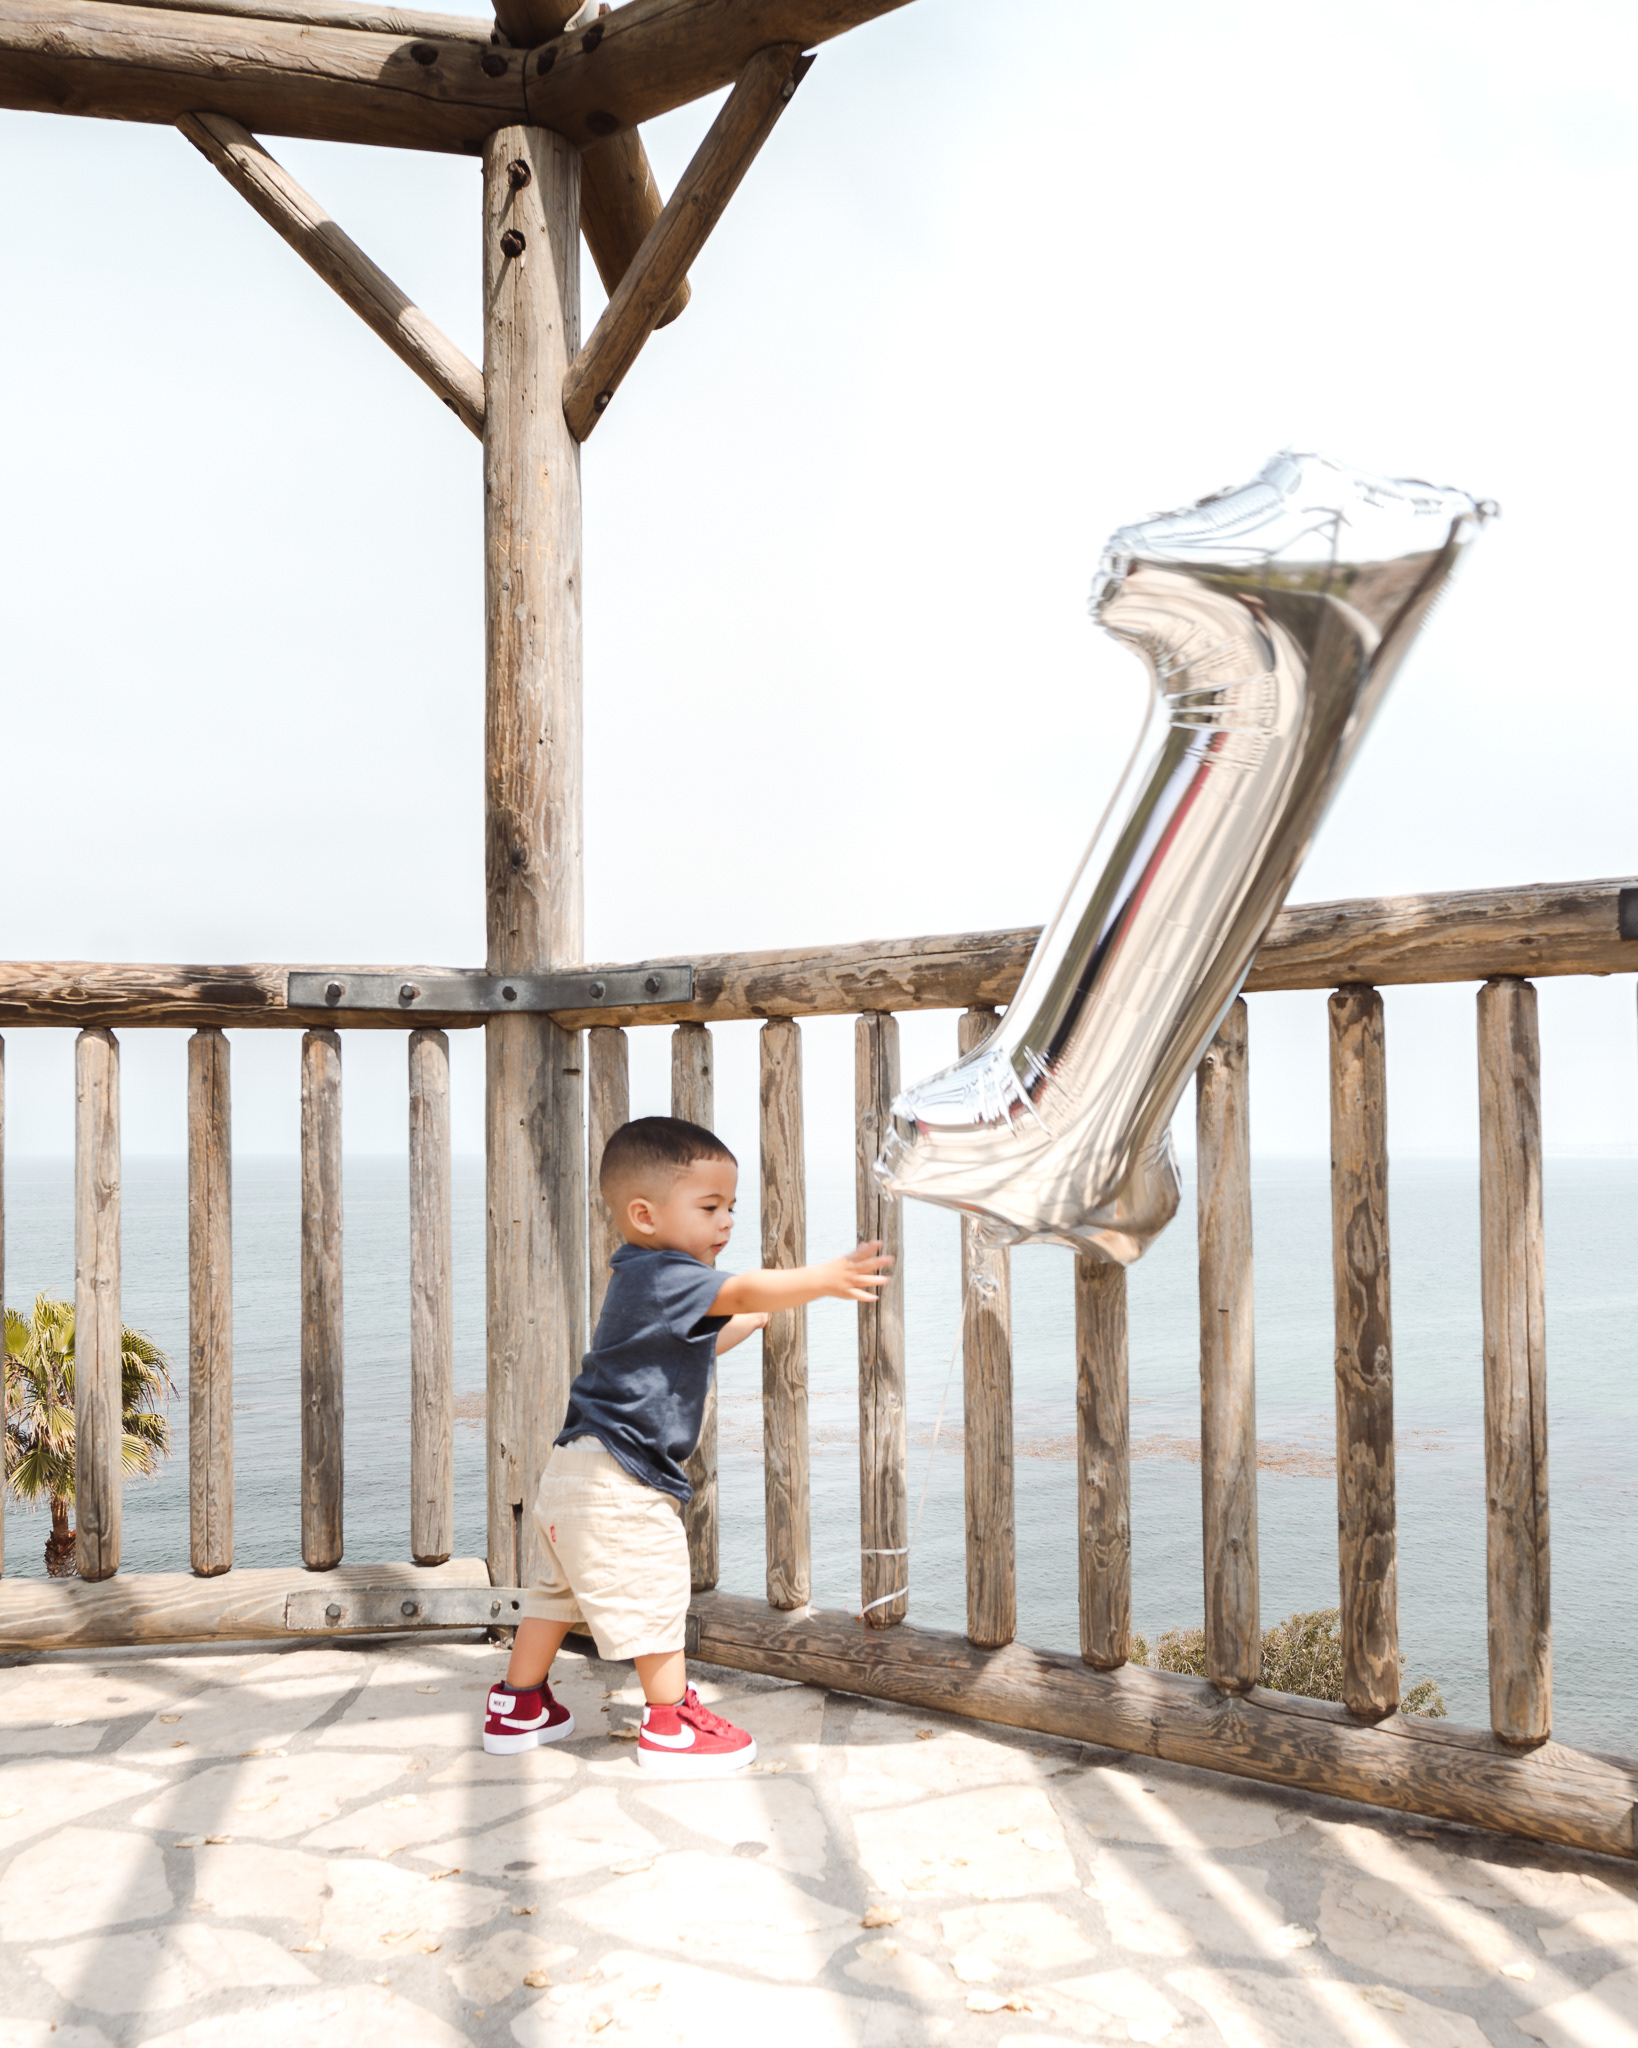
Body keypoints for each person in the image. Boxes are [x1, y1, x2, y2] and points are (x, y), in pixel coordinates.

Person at [482, 1114, 892, 1775]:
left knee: (554, 1598)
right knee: (656, 1593)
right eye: (709, 1207)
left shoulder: (637, 1275)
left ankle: (517, 1705)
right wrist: (824, 1278)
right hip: (620, 1481)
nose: (725, 1222)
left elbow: (678, 1351)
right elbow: (741, 1287)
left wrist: (744, 1325)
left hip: (573, 1471)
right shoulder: (668, 1272)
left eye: (731, 1207)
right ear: (644, 1215)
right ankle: (670, 1725)